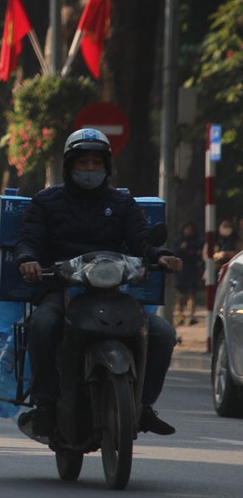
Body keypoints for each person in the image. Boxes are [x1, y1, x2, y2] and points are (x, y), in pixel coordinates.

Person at [14, 128, 182, 437]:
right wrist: (27, 260)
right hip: (61, 289)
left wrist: (160, 256)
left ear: (105, 166)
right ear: (70, 166)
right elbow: (29, 241)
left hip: (111, 292)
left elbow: (141, 240)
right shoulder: (46, 202)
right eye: (83, 163)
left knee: (162, 333)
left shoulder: (121, 203)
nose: (90, 169)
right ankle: (45, 404)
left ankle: (142, 406)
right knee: (42, 325)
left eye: (95, 162)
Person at [173, 222, 202, 326]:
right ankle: (180, 316)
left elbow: (200, 254)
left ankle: (192, 316)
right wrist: (182, 248)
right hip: (181, 271)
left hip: (192, 270)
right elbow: (174, 253)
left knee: (191, 295)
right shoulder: (178, 240)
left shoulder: (197, 242)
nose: (189, 231)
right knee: (179, 296)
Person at [203, 219, 242, 284]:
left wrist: (229, 254)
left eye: (229, 226)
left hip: (233, 269)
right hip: (215, 269)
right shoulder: (212, 240)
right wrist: (219, 256)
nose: (227, 229)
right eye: (224, 226)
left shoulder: (237, 240)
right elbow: (206, 255)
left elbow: (240, 254)